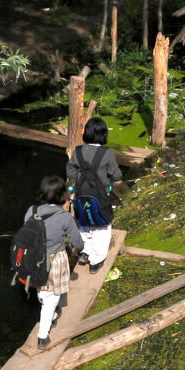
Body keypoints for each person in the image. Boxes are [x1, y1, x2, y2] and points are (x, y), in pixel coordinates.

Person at [26, 175, 84, 350]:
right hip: (54, 261)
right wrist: (79, 249)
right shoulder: (64, 217)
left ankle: (47, 306)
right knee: (52, 299)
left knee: (42, 291)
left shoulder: (31, 211)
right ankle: (43, 336)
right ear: (62, 195)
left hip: (33, 259)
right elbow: (78, 242)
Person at [67, 117, 123, 275]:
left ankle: (85, 253)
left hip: (80, 196)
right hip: (100, 197)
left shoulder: (77, 151)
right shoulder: (107, 153)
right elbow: (116, 175)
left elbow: (70, 172)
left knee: (83, 223)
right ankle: (96, 262)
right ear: (103, 134)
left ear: (87, 133)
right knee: (102, 226)